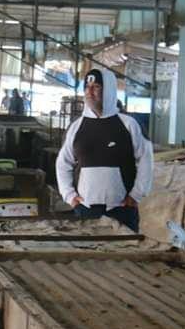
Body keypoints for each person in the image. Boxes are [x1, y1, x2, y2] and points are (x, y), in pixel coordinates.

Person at [55, 67, 154, 232]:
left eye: (96, 87)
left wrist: (136, 194)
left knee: (125, 255)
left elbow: (146, 160)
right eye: (87, 87)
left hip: (122, 209)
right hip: (85, 209)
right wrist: (70, 196)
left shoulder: (129, 124)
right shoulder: (76, 126)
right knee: (87, 255)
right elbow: (62, 163)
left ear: (108, 90)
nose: (89, 92)